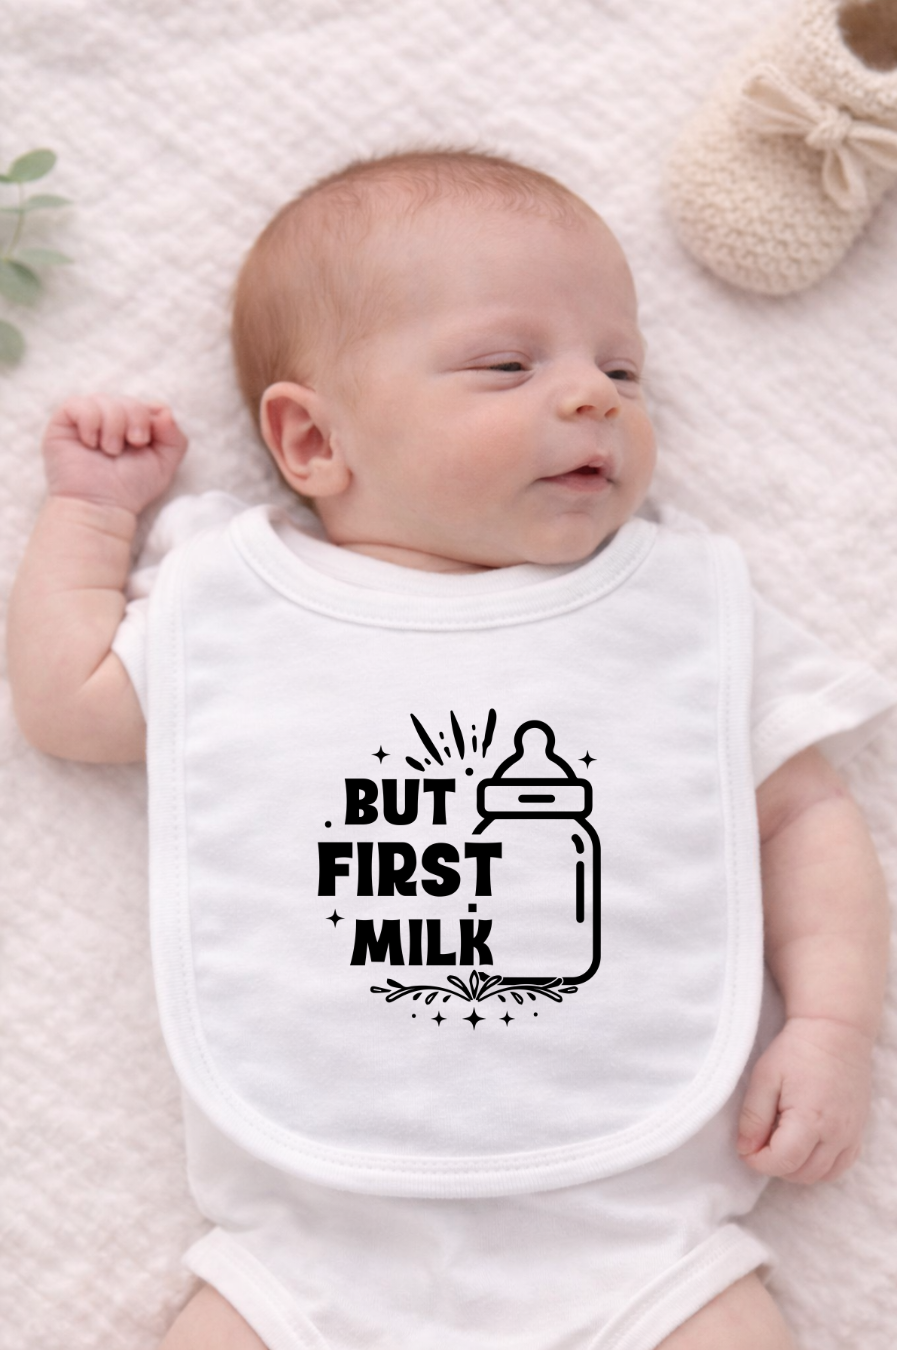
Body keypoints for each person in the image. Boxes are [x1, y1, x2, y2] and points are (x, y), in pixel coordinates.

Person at [7, 149, 895, 1350]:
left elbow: (803, 816)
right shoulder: (243, 607)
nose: (594, 397)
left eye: (621, 367)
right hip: (315, 1246)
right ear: (313, 443)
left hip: (634, 1237)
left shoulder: (676, 608)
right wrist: (95, 516)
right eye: (507, 364)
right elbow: (69, 703)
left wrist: (833, 1025)